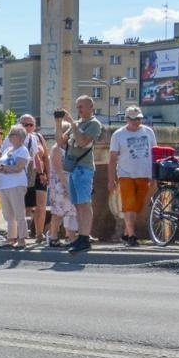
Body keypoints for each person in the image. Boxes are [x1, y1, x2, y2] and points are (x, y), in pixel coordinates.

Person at [108, 106, 156, 245]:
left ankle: (126, 233)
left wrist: (154, 173)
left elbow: (154, 154)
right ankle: (132, 236)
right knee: (129, 206)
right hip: (125, 174)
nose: (136, 121)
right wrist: (111, 179)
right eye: (133, 119)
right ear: (127, 119)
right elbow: (112, 158)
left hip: (144, 173)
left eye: (139, 118)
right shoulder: (118, 134)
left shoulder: (148, 132)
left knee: (138, 207)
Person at [60, 96, 102, 252]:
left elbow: (83, 142)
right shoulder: (76, 124)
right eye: (77, 107)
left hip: (84, 169)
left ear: (91, 107)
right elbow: (60, 142)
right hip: (73, 169)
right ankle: (81, 236)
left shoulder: (94, 124)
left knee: (85, 203)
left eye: (81, 107)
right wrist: (59, 124)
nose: (79, 110)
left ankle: (85, 237)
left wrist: (72, 123)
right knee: (77, 205)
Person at [44, 115, 78, 246]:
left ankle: (71, 237)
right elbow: (58, 170)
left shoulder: (69, 149)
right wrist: (67, 187)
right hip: (59, 184)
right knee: (58, 211)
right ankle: (53, 236)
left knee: (71, 211)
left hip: (69, 181)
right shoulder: (56, 149)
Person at [19, 113, 48, 244]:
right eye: (24, 124)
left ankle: (39, 233)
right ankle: (24, 233)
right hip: (23, 175)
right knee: (26, 207)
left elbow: (45, 157)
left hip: (39, 174)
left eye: (30, 124)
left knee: (41, 205)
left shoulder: (39, 137)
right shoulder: (16, 138)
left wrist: (48, 174)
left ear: (34, 126)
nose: (27, 127)